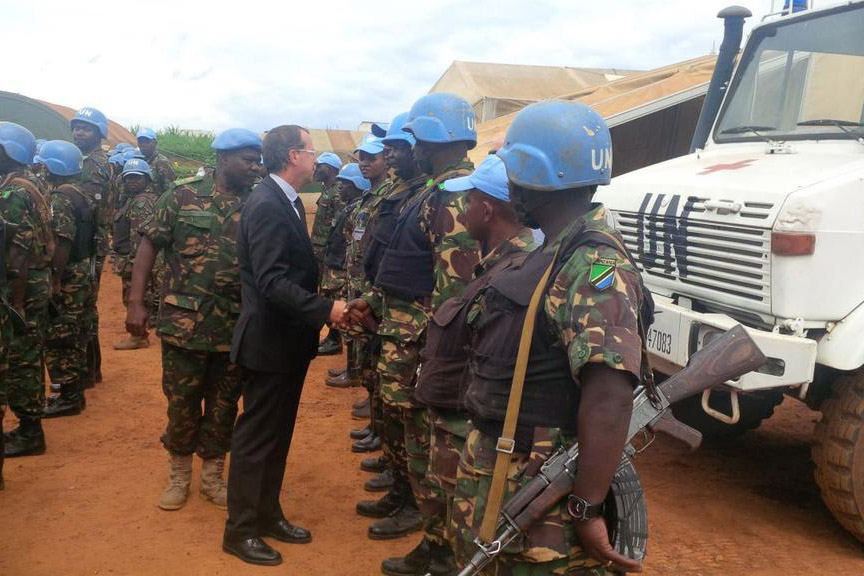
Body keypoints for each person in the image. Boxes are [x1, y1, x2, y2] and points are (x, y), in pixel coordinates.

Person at [451, 100, 646, 575]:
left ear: (539, 177)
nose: (510, 186)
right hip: (512, 474)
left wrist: (586, 509)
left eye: (516, 174)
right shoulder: (554, 253)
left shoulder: (595, 266)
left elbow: (609, 397)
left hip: (545, 499)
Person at [349, 93, 481, 574]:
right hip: (406, 337)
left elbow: (455, 296)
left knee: (433, 452)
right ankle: (434, 539)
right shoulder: (434, 191)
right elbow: (409, 270)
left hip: (426, 350)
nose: (410, 149)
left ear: (433, 141)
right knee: (419, 448)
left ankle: (443, 550)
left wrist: (432, 355)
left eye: (416, 141)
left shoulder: (457, 198)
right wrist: (376, 301)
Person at [222, 125, 349, 566]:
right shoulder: (268, 205)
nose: (316, 159)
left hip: (285, 344)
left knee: (277, 436)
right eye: (312, 152)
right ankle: (239, 531)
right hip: (267, 344)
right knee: (257, 439)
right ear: (294, 156)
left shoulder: (286, 201)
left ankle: (267, 513)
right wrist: (326, 310)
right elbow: (272, 282)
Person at [407, 154, 539, 575]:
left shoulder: (514, 273)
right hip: (461, 419)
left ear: (486, 209)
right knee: (451, 519)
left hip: (473, 427)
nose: (462, 213)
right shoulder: (498, 264)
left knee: (468, 532)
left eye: (469, 203)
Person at [125, 128, 262, 511]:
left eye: (257, 160)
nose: (254, 167)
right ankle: (179, 476)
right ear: (222, 159)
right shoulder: (182, 195)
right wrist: (136, 303)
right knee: (181, 403)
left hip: (235, 326)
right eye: (247, 160)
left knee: (223, 405)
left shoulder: (258, 201)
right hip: (184, 323)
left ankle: (213, 477)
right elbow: (149, 244)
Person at [0, 122, 54, 456]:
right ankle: (30, 426)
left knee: (21, 357)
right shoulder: (29, 183)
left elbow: (17, 250)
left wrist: (16, 304)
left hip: (21, 286)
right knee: (29, 355)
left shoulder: (14, 192)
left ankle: (30, 431)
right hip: (34, 281)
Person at [40, 140, 97, 418]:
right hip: (83, 270)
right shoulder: (80, 193)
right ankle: (77, 389)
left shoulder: (60, 197)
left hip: (69, 272)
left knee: (60, 335)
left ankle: (68, 396)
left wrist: (54, 278)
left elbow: (63, 240)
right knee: (77, 332)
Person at [71, 107, 110, 387]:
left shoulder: (94, 164)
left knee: (82, 305)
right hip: (87, 241)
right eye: (76, 127)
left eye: (85, 128)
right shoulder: (84, 160)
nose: (78, 132)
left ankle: (87, 371)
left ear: (98, 134)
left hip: (89, 242)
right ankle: (91, 370)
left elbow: (89, 210)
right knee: (86, 305)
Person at [111, 159, 162, 350]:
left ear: (147, 179)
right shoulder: (138, 199)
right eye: (128, 178)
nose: (132, 182)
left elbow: (139, 240)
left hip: (132, 260)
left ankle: (138, 336)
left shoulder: (141, 203)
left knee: (134, 297)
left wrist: (135, 266)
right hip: (128, 259)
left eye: (136, 178)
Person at [310, 152, 344, 356]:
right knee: (323, 292)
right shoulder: (328, 190)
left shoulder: (338, 192)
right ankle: (331, 337)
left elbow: (340, 227)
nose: (316, 170)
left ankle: (335, 339)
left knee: (331, 293)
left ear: (330, 169)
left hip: (329, 252)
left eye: (319, 166)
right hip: (319, 250)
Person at [136, 128, 176, 196]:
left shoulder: (162, 162)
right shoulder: (139, 160)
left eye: (146, 141)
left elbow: (170, 190)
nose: (143, 144)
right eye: (140, 141)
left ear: (155, 143)